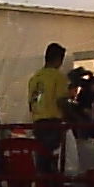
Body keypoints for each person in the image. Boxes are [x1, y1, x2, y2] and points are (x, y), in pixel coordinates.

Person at [28, 42, 67, 174]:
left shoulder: (34, 78)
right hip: (53, 124)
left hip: (38, 124)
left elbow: (31, 103)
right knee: (54, 163)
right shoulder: (58, 76)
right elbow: (61, 101)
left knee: (42, 162)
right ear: (59, 59)